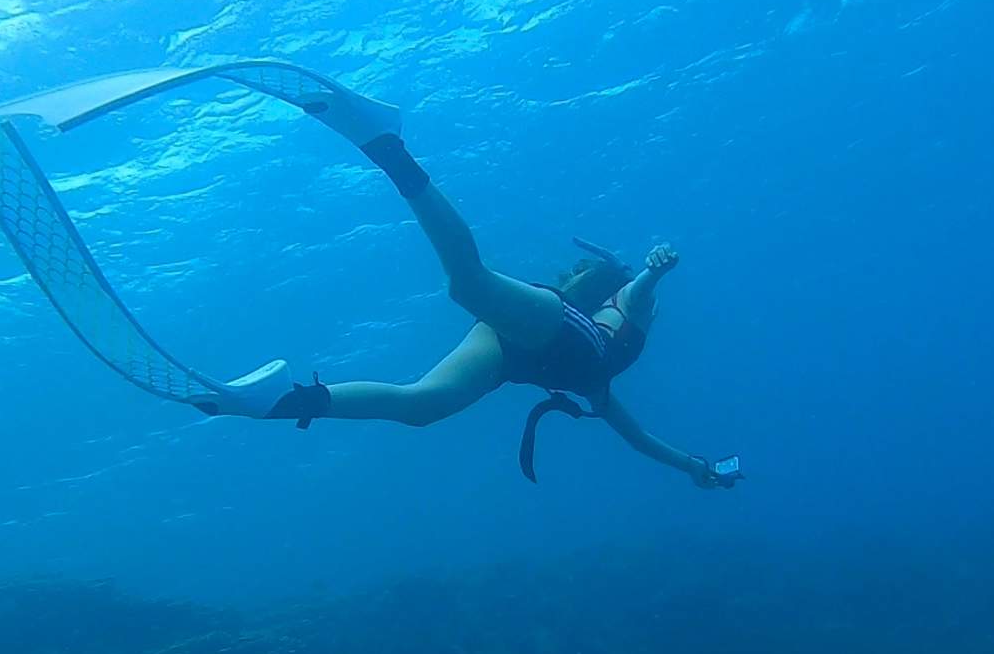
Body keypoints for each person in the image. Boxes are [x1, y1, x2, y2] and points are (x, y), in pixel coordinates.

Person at [195, 129, 738, 488]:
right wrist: (656, 269)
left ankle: (281, 402)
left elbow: (638, 438)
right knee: (469, 285)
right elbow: (639, 293)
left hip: (514, 356)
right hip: (558, 331)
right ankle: (388, 149)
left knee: (421, 407)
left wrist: (695, 468)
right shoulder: (625, 313)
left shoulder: (599, 389)